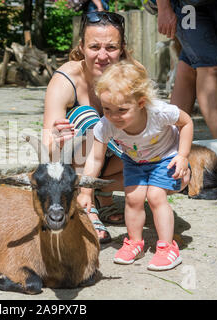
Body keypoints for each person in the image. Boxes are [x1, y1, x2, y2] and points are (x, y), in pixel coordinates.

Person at [77, 60, 193, 271]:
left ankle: (167, 247)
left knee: (156, 196)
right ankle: (134, 242)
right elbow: (95, 159)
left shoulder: (159, 112)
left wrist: (183, 155)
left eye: (121, 109)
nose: (113, 116)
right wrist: (85, 191)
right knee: (133, 198)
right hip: (134, 161)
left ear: (140, 103)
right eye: (107, 109)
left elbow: (186, 122)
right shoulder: (106, 125)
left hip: (166, 158)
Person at [43, 11, 139, 243]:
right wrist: (58, 141)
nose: (102, 56)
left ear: (123, 48)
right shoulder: (66, 79)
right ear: (82, 47)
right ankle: (84, 202)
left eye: (111, 48)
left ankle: (101, 193)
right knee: (88, 118)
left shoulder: (134, 75)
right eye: (95, 47)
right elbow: (47, 144)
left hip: (114, 157)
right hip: (74, 161)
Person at [155, 0, 217, 139]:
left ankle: (169, 140)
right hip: (188, 6)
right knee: (210, 65)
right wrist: (164, 7)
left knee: (188, 68)